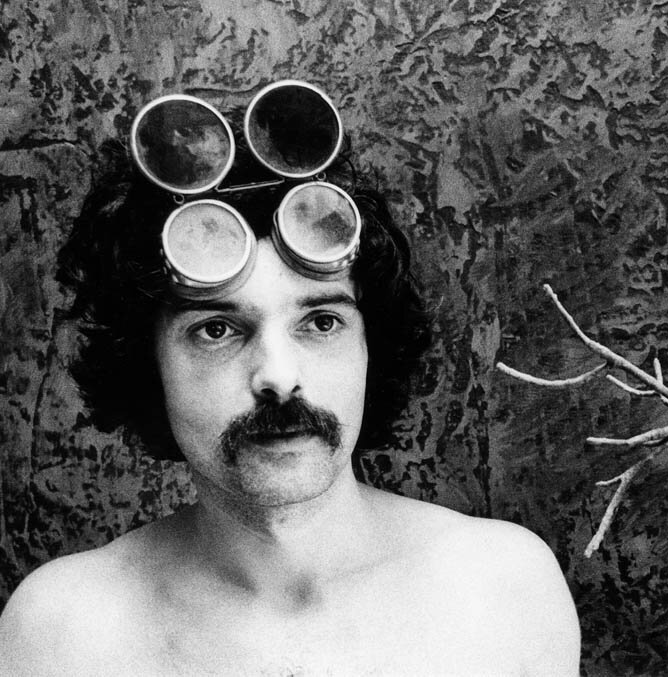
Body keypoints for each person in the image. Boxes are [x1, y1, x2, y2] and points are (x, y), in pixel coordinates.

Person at [0, 81, 580, 675]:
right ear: (146, 364)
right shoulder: (62, 633)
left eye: (321, 322)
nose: (278, 377)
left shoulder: (501, 592)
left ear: (370, 347)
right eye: (216, 330)